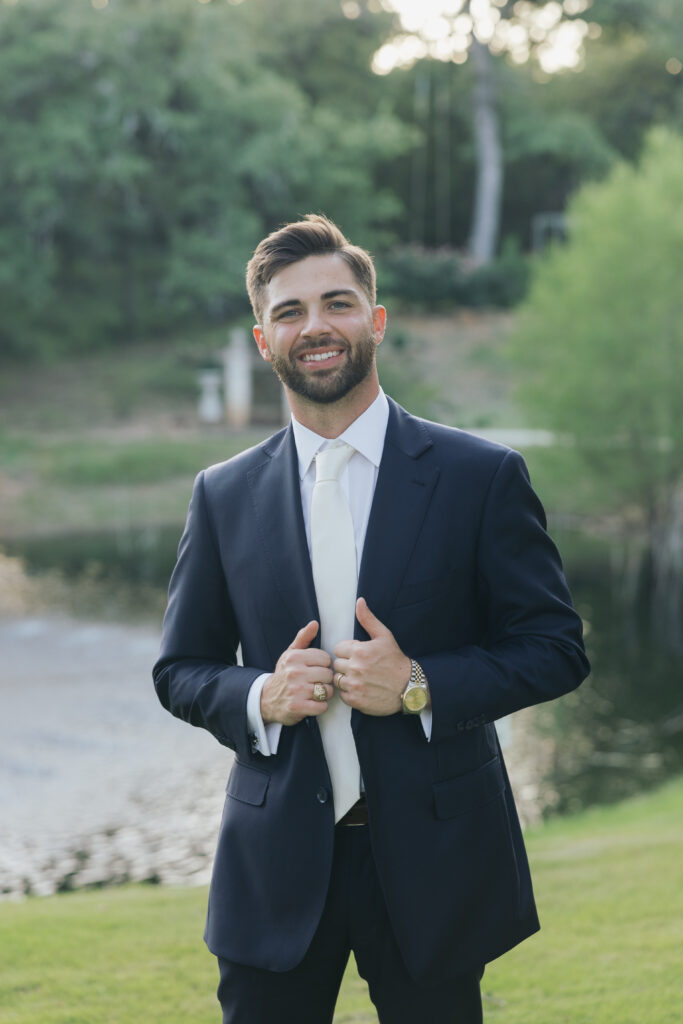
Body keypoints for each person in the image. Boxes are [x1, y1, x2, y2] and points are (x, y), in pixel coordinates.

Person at [153, 214, 589, 1024]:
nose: (314, 327)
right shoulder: (222, 494)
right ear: (263, 339)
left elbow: (554, 648)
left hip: (434, 863)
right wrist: (261, 698)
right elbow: (181, 671)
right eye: (289, 313)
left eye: (337, 303)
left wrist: (419, 683)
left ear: (375, 321)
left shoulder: (479, 476)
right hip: (274, 863)